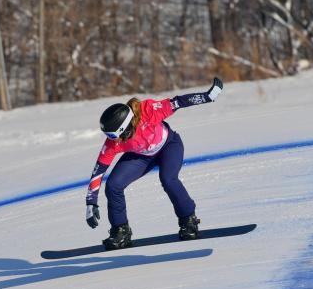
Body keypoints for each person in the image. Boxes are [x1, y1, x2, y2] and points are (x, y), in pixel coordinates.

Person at [85, 77, 223, 250]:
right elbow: (98, 171)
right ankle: (121, 231)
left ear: (126, 128)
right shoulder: (114, 143)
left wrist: (207, 96)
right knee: (113, 185)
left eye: (113, 135)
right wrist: (91, 202)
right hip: (142, 157)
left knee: (168, 178)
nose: (113, 140)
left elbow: (178, 102)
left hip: (168, 146)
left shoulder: (148, 110)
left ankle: (188, 220)